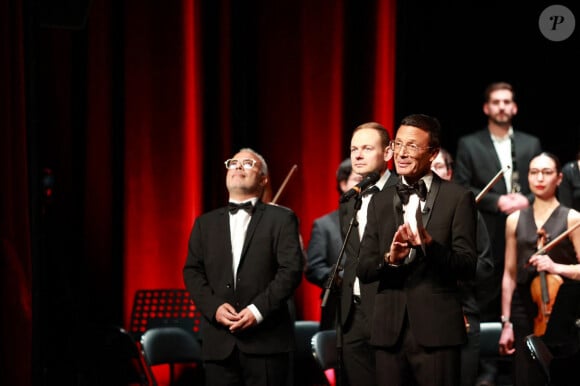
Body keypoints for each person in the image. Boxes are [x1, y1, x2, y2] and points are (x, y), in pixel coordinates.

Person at [357, 113, 478, 386]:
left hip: (438, 332)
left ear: (433, 153)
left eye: (411, 146)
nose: (401, 153)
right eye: (397, 144)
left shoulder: (458, 198)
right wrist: (390, 260)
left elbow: (468, 265)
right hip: (389, 332)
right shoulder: (379, 201)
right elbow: (364, 269)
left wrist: (430, 246)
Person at [182, 148, 304, 386]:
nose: (237, 167)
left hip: (266, 343)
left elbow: (291, 270)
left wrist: (257, 310)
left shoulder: (282, 219)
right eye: (233, 163)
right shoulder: (204, 223)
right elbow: (192, 271)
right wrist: (215, 308)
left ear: (263, 179)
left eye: (248, 163)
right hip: (218, 345)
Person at [454, 81, 542, 385]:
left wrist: (526, 199)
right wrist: (497, 200)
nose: (503, 106)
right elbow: (463, 186)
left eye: (508, 101)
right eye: (497, 101)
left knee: (522, 299)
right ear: (487, 108)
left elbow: (541, 185)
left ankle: (522, 368)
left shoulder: (531, 144)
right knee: (487, 299)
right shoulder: (470, 143)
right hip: (487, 231)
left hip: (524, 234)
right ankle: (486, 373)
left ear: (514, 107)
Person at [498, 152, 580, 386]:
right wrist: (506, 323)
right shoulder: (514, 219)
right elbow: (509, 274)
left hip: (562, 311)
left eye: (547, 172)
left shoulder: (572, 218)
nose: (540, 178)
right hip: (524, 309)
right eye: (534, 172)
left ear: (560, 178)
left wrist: (556, 267)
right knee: (525, 376)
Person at [338, 121, 398, 386]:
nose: (358, 155)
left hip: (390, 310)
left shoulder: (403, 191)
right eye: (353, 149)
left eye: (366, 148)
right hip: (353, 313)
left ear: (388, 153)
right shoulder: (350, 199)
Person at [431, 148, 495, 386]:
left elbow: (485, 267)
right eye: (428, 168)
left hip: (462, 314)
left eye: (438, 167)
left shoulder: (468, 213)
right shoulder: (408, 211)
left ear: (449, 173)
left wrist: (454, 265)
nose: (433, 173)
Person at [305, 158, 362, 331]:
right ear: (343, 184)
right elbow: (313, 268)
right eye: (358, 181)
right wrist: (340, 276)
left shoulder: (380, 220)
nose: (364, 186)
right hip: (337, 308)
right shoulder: (324, 225)